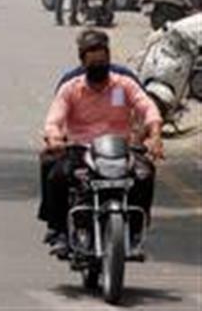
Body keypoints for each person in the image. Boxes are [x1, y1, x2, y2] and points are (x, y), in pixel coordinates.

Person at [39, 30, 163, 255]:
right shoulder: (71, 88)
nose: (99, 68)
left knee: (145, 174)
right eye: (93, 64)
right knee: (57, 175)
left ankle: (136, 230)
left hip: (120, 149)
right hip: (82, 149)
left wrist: (155, 135)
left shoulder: (124, 85)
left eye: (102, 63)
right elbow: (54, 119)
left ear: (109, 60)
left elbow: (147, 107)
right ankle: (59, 231)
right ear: (83, 62)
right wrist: (54, 137)